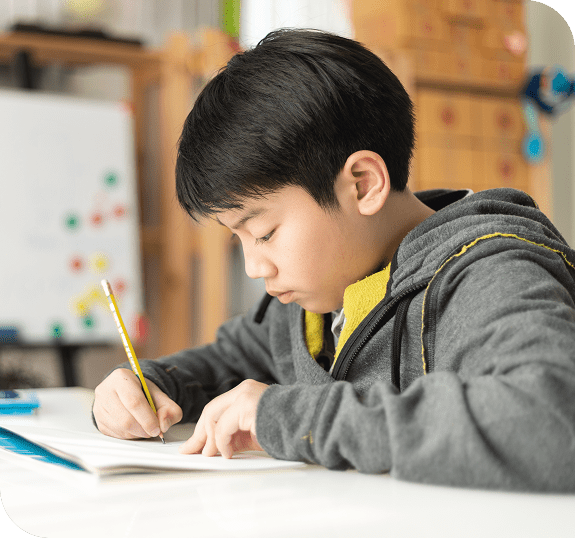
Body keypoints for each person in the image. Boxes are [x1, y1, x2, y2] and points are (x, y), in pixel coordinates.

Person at [93, 29, 575, 491]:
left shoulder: (490, 273)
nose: (254, 267)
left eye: (264, 232)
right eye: (237, 239)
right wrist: (146, 387)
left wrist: (290, 417)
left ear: (362, 184)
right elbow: (225, 364)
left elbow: (550, 421)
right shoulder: (312, 303)